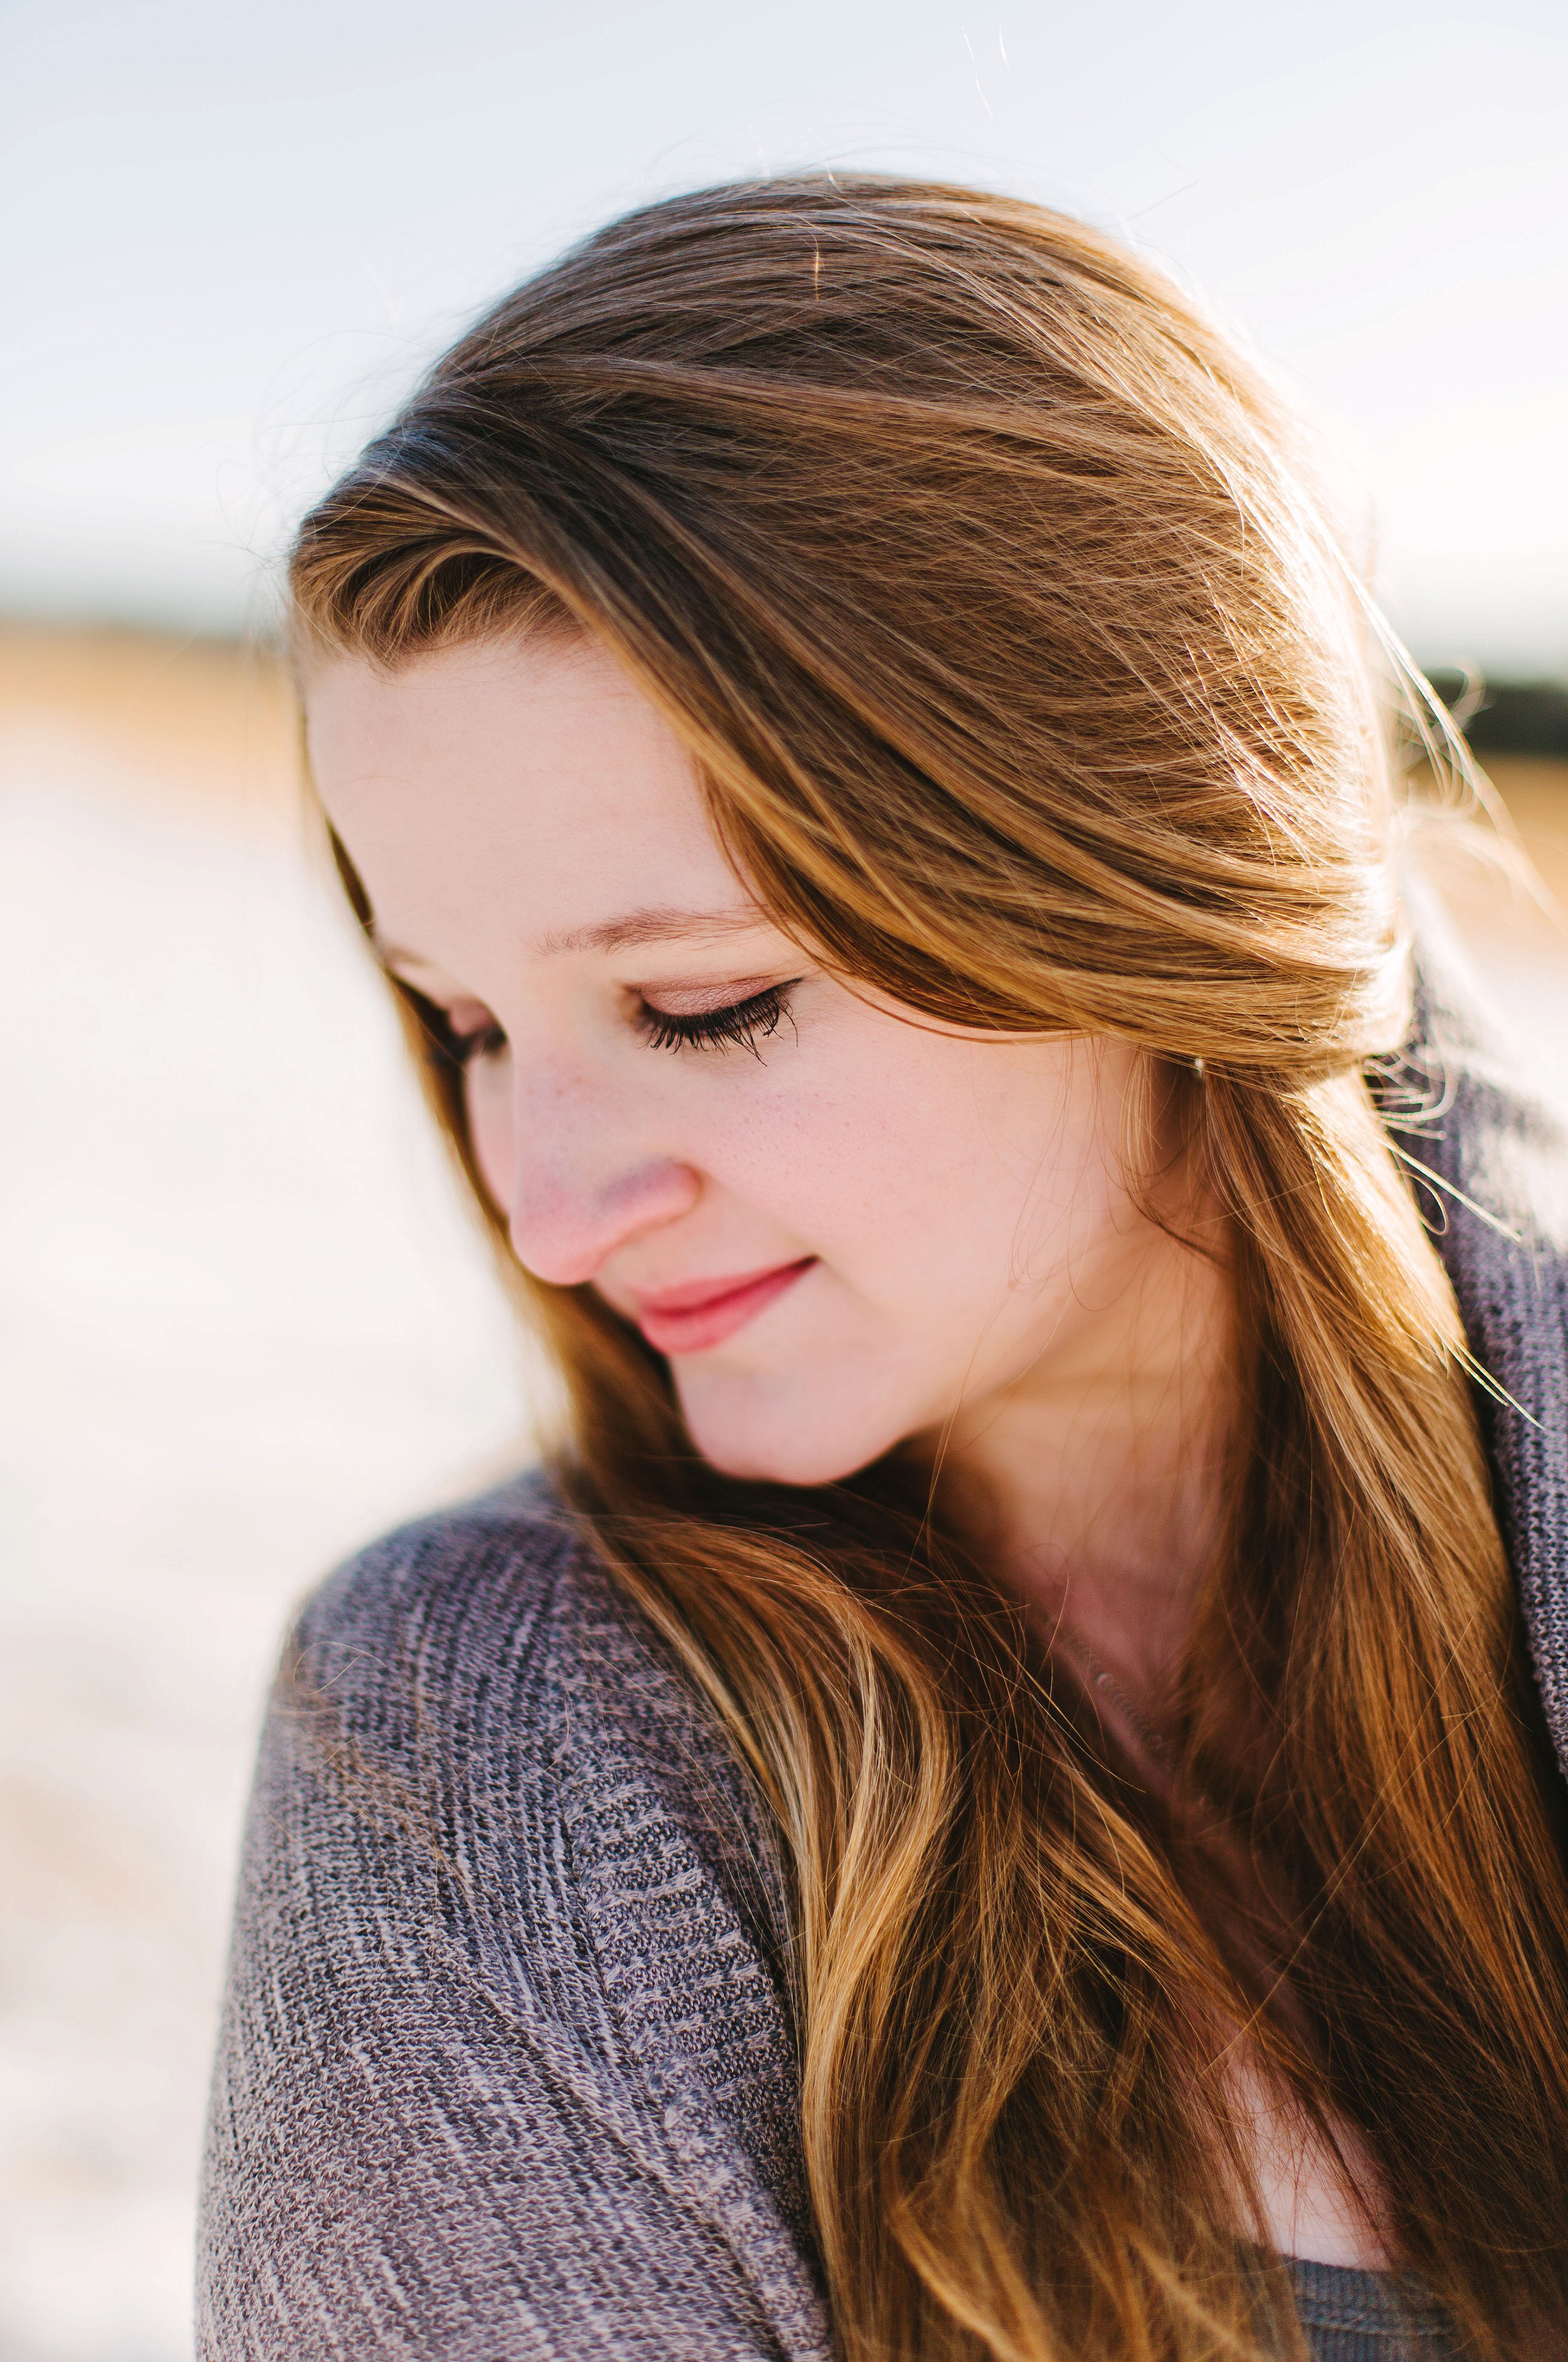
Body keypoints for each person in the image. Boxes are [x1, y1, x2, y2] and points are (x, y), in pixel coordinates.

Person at [196, 177, 1568, 2362]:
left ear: (1139, 886)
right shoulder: (482, 1772)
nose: (546, 1212)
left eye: (707, 1003)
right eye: (463, 1023)